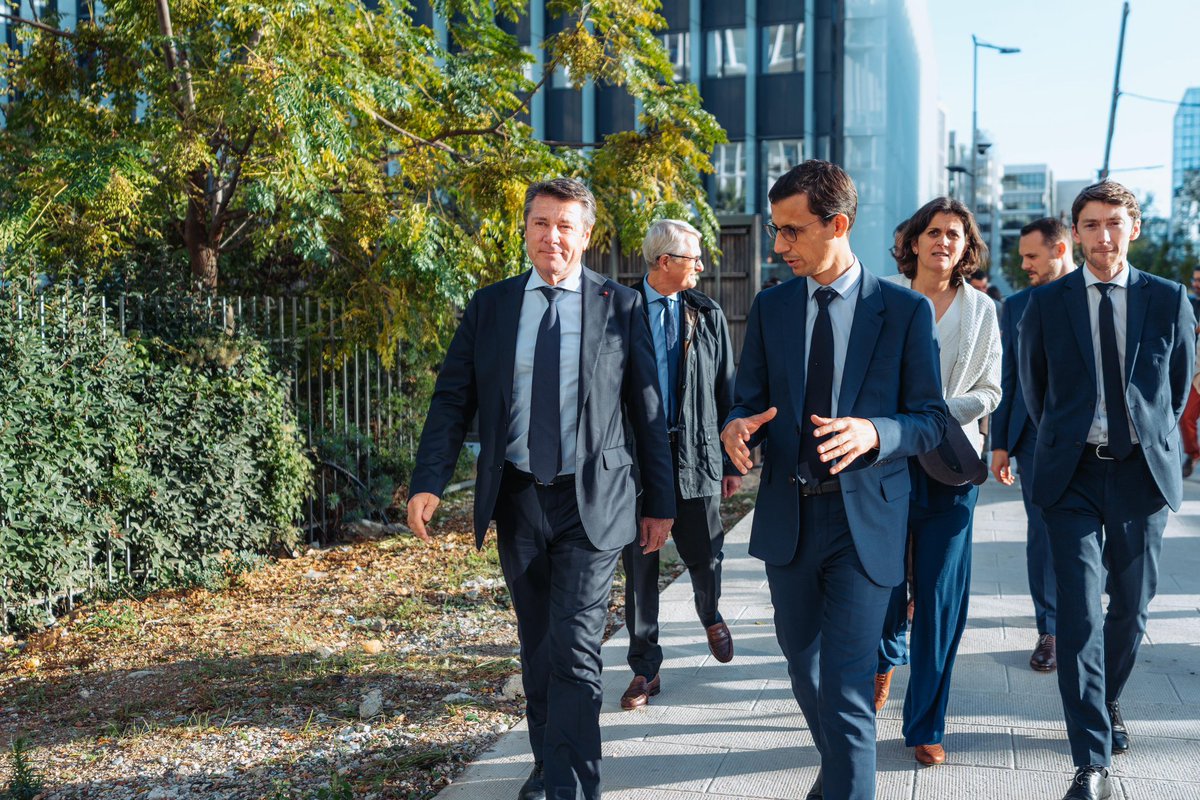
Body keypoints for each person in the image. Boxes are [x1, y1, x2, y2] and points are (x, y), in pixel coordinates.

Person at [406, 178, 676, 800]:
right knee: (538, 646)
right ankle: (548, 761)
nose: (551, 235)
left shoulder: (622, 306)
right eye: (539, 223)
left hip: (594, 502)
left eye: (564, 225)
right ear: (525, 230)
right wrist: (429, 482)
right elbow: (454, 398)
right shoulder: (492, 306)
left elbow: (647, 410)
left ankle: (572, 787)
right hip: (521, 498)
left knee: (576, 651)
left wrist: (660, 503)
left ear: (585, 235)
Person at [721, 160, 947, 800]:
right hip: (790, 520)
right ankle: (841, 778)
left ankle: (848, 783)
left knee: (848, 686)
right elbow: (750, 401)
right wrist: (738, 427)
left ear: (838, 224)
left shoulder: (902, 311)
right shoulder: (770, 308)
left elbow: (929, 420)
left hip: (865, 522)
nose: (778, 245)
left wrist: (876, 432)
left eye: (791, 231)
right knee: (806, 670)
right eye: (776, 230)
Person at [1019, 181, 1194, 800]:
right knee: (1080, 615)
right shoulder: (1047, 304)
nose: (1103, 235)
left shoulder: (1169, 300)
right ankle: (1090, 760)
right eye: (1090, 224)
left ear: (1134, 228)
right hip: (1071, 474)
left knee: (1133, 607)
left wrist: (1143, 441)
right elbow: (1035, 393)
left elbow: (1174, 391)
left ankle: (1108, 696)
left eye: (1114, 222)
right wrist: (1069, 441)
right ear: (1076, 234)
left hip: (1140, 473)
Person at [874, 197, 1001, 765]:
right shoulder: (881, 297)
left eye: (954, 234)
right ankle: (882, 661)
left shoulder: (982, 311)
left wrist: (936, 412)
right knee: (879, 585)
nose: (943, 242)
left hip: (951, 470)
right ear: (914, 241)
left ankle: (926, 721)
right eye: (933, 232)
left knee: (941, 599)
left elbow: (992, 392)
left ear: (965, 246)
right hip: (886, 465)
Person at [619, 219, 742, 709]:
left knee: (705, 551)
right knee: (640, 564)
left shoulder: (707, 314)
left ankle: (709, 611)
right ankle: (644, 670)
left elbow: (726, 390)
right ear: (665, 261)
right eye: (694, 257)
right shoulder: (620, 310)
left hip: (696, 452)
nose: (702, 266)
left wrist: (731, 461)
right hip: (638, 460)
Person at [991, 217, 1076, 673]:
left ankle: (1084, 624)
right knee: (1042, 536)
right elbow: (1008, 376)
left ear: (1060, 249)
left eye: (1031, 256)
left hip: (1090, 441)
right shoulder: (1017, 305)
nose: (1024, 265)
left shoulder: (1093, 297)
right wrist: (1000, 443)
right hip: (1032, 440)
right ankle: (1052, 630)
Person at [1178, 266, 1200, 476]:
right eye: (1195, 280)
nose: (1196, 284)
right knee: (1185, 418)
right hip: (1195, 372)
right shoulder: (1190, 303)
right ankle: (1193, 454)